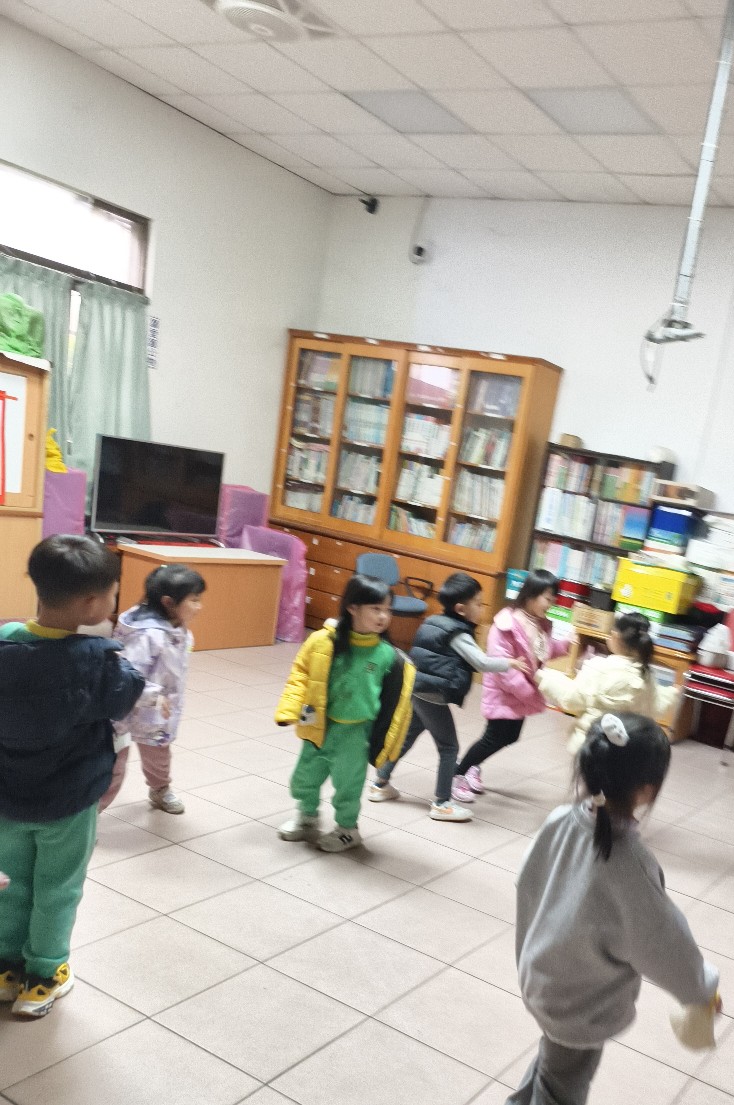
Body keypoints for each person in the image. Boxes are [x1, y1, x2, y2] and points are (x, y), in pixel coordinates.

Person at [508, 712, 720, 1105]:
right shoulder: (630, 864)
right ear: (646, 790)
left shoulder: (559, 820)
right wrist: (699, 988)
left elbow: (527, 883)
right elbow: (661, 941)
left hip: (542, 979)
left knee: (554, 1064)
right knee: (562, 1085)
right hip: (579, 1004)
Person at [0, 535, 145, 1018]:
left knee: (12, 883)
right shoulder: (99, 660)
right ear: (89, 602)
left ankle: (6, 968)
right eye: (112, 595)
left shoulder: (4, 642)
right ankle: (44, 975)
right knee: (58, 887)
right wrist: (118, 652)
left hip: (7, 797)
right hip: (69, 800)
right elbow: (126, 697)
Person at [368, 572, 529, 822]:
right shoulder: (458, 632)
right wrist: (510, 663)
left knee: (407, 736)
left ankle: (380, 783)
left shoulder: (434, 621)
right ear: (461, 609)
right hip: (431, 694)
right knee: (449, 747)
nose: (482, 608)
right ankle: (442, 803)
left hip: (417, 688)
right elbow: (481, 662)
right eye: (478, 603)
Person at [275, 573, 415, 853]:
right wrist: (290, 708)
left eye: (388, 610)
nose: (383, 617)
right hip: (319, 724)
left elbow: (397, 703)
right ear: (352, 607)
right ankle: (307, 816)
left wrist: (388, 742)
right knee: (306, 775)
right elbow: (301, 673)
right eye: (375, 608)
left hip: (356, 732)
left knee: (348, 783)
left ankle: (348, 830)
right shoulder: (322, 642)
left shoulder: (387, 655)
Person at [453, 569, 571, 802]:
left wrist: (568, 646)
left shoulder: (539, 624)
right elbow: (503, 670)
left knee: (510, 737)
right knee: (492, 738)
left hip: (520, 695)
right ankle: (457, 774)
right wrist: (530, 694)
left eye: (553, 600)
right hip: (504, 694)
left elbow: (543, 651)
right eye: (548, 599)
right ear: (531, 594)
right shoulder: (506, 624)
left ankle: (473, 766)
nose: (551, 605)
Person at [99, 564, 205, 816]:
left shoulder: (175, 626)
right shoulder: (146, 635)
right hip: (123, 712)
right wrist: (154, 696)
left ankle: (160, 789)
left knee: (159, 757)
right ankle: (90, 814)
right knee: (114, 767)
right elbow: (126, 675)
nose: (199, 607)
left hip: (155, 714)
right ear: (168, 602)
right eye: (194, 600)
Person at [537, 610, 679, 753]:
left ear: (615, 636)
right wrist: (672, 693)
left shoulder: (600, 668)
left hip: (594, 744)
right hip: (629, 749)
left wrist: (542, 677)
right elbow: (656, 707)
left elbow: (571, 699)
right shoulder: (646, 674)